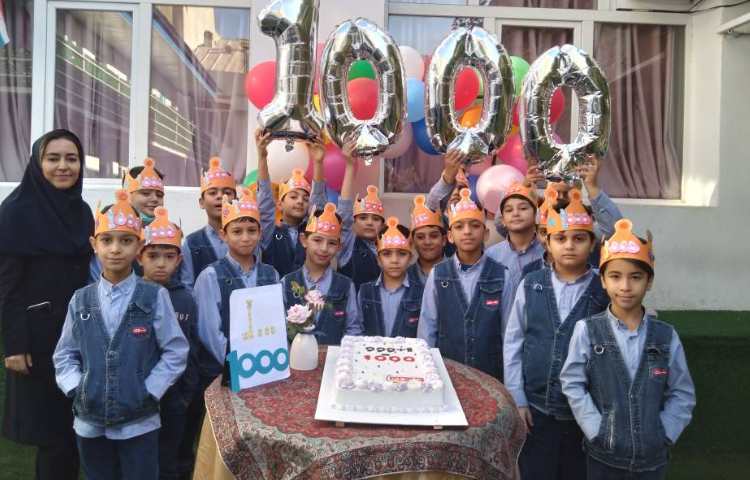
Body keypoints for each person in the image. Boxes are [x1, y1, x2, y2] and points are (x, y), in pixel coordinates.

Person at [53, 189, 188, 480]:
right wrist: (77, 387)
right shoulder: (80, 300)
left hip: (139, 422)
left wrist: (150, 390)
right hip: (89, 422)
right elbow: (65, 353)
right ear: (94, 245)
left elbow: (175, 350)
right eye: (107, 240)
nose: (115, 249)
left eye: (126, 241)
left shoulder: (154, 296)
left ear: (139, 247)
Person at [561, 219, 696, 480]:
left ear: (649, 281)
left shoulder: (666, 336)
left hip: (652, 461)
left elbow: (682, 392)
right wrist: (595, 429)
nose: (625, 286)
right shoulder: (587, 330)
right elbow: (572, 383)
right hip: (603, 457)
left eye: (636, 277)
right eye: (615, 276)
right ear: (603, 280)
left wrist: (666, 432)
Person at [0, 129, 93, 480]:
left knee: (75, 432)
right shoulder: (15, 213)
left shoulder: (82, 212)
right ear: (38, 164)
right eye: (53, 158)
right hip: (39, 341)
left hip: (80, 337)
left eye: (72, 158)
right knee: (52, 437)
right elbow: (7, 287)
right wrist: (15, 345)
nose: (63, 166)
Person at [503, 189, 610, 480]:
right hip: (536, 411)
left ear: (592, 243)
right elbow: (514, 342)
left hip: (587, 414)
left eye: (579, 238)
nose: (569, 246)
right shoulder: (531, 284)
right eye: (561, 238)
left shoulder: (604, 290)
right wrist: (518, 398)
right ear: (547, 242)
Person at [418, 188, 507, 380]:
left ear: (485, 233)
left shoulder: (502, 275)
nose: (467, 232)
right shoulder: (438, 274)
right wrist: (428, 376)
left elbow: (508, 333)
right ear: (450, 236)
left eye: (474, 225)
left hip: (491, 376)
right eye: (459, 226)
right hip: (447, 375)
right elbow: (427, 330)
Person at [137, 207, 200, 480]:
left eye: (169, 256)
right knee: (138, 459)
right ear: (139, 257)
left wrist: (186, 394)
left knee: (169, 458)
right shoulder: (131, 294)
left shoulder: (185, 299)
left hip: (175, 398)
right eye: (153, 256)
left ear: (179, 260)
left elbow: (192, 348)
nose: (161, 263)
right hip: (138, 397)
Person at [193, 188, 280, 380]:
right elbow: (210, 333)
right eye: (237, 231)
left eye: (252, 231)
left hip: (266, 366)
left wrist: (267, 361)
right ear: (223, 235)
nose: (245, 238)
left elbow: (275, 324)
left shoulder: (271, 275)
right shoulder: (210, 277)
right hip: (227, 371)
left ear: (260, 233)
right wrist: (240, 365)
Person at [282, 203, 363, 345]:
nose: (324, 248)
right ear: (304, 240)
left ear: (339, 247)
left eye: (332, 243)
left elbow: (353, 329)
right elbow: (279, 329)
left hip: (334, 357)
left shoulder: (345, 285)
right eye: (317, 240)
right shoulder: (286, 283)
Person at [255, 129, 327, 277]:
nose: (300, 201)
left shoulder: (312, 231)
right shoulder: (269, 231)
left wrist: (318, 162)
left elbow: (318, 203)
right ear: (280, 204)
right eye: (293, 197)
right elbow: (265, 202)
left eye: (305, 198)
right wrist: (262, 156)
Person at [359, 217, 423, 338]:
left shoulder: (421, 293)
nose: (394, 260)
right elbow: (358, 330)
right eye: (387, 254)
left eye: (402, 254)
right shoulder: (365, 291)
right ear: (378, 259)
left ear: (410, 258)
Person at [180, 157, 236, 287]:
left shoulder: (246, 238)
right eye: (212, 192)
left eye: (227, 192)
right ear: (201, 203)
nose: (220, 196)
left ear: (235, 200)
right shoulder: (191, 243)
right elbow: (187, 286)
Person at [407, 195, 448, 286]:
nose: (427, 242)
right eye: (420, 237)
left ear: (444, 240)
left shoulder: (460, 273)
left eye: (434, 236)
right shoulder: (403, 277)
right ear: (413, 242)